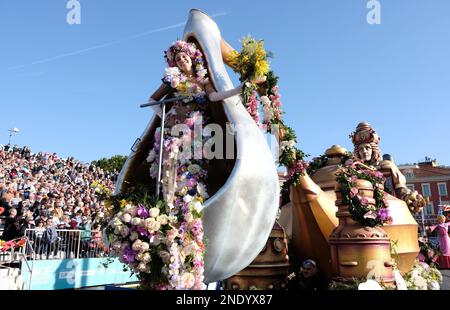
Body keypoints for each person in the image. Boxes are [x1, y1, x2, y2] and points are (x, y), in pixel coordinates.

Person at [146, 40, 265, 206]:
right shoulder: (173, 80)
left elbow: (214, 96)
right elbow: (151, 100)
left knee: (193, 166)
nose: (181, 60)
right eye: (178, 58)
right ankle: (168, 203)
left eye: (184, 56)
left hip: (196, 130)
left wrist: (238, 90)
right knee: (169, 163)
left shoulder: (203, 81)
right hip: (173, 128)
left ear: (191, 57)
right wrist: (164, 116)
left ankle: (188, 205)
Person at [350, 122, 427, 213]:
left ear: (373, 150)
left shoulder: (387, 166)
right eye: (360, 149)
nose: (364, 151)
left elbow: (400, 188)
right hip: (360, 212)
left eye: (367, 148)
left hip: (388, 212)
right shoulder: (353, 170)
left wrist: (408, 197)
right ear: (357, 152)